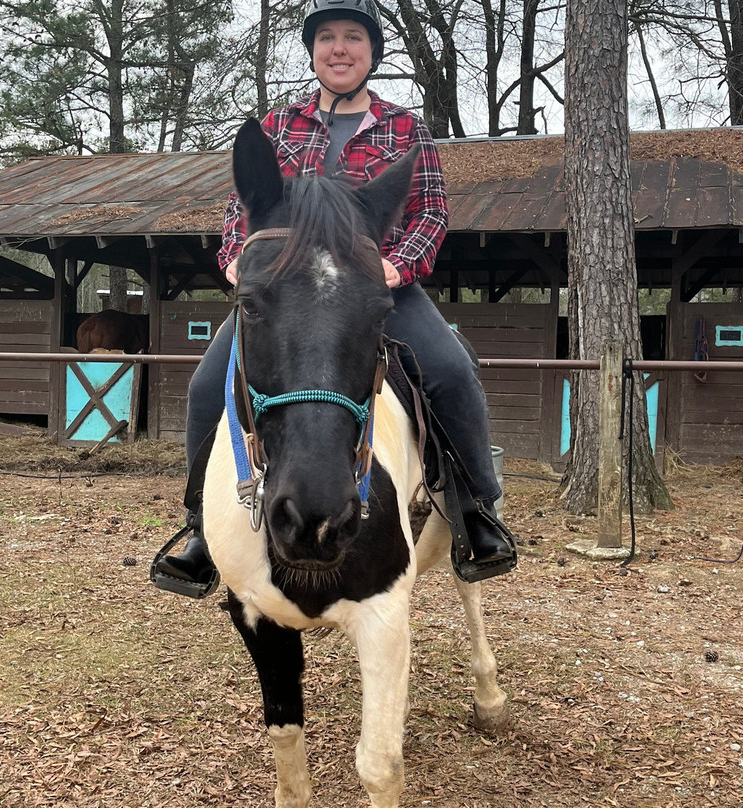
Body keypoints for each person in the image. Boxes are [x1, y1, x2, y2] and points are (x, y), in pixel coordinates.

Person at [151, 0, 515, 597]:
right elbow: (238, 211)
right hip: (291, 291)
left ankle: (477, 509)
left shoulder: (406, 129)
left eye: (352, 38)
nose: (339, 49)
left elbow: (429, 212)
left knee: (450, 370)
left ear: (372, 53)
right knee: (202, 386)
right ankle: (199, 528)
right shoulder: (277, 127)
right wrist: (235, 259)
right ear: (313, 50)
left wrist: (397, 268)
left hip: (376, 286)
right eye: (327, 38)